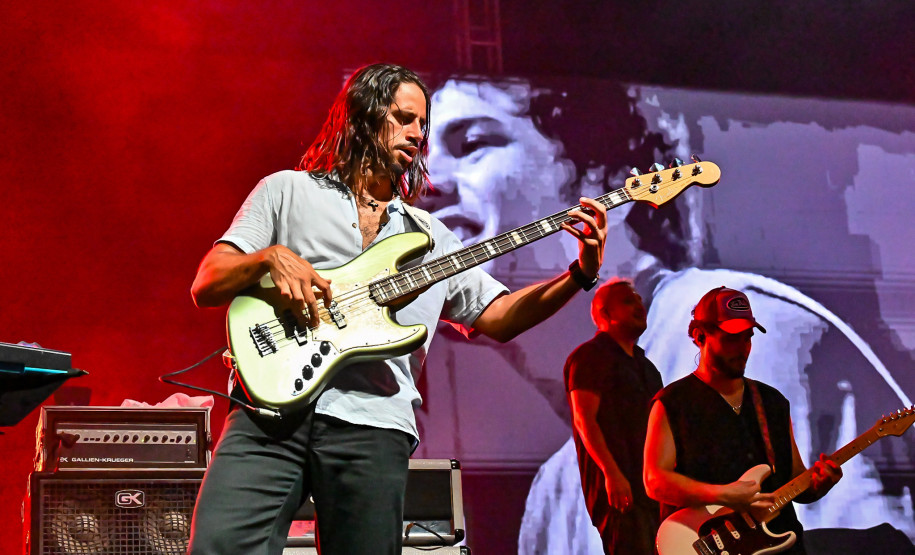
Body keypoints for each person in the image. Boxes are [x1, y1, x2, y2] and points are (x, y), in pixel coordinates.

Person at [186, 63, 609, 555]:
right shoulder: (287, 191)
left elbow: (501, 317)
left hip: (372, 427)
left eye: (421, 124)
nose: (417, 134)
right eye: (404, 118)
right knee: (217, 546)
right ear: (363, 117)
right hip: (267, 412)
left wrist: (580, 273)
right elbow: (207, 282)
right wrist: (269, 257)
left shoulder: (432, 238)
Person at [643, 286, 843, 554]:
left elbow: (796, 481)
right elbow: (654, 480)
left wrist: (819, 484)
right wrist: (724, 495)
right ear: (699, 336)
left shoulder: (772, 403)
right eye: (730, 338)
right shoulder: (673, 402)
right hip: (709, 544)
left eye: (747, 337)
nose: (742, 349)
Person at [565, 279, 662, 554]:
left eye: (639, 300)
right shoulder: (590, 357)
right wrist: (612, 473)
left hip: (651, 488)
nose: (639, 306)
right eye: (628, 301)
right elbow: (585, 419)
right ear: (606, 314)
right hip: (622, 490)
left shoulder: (646, 367)